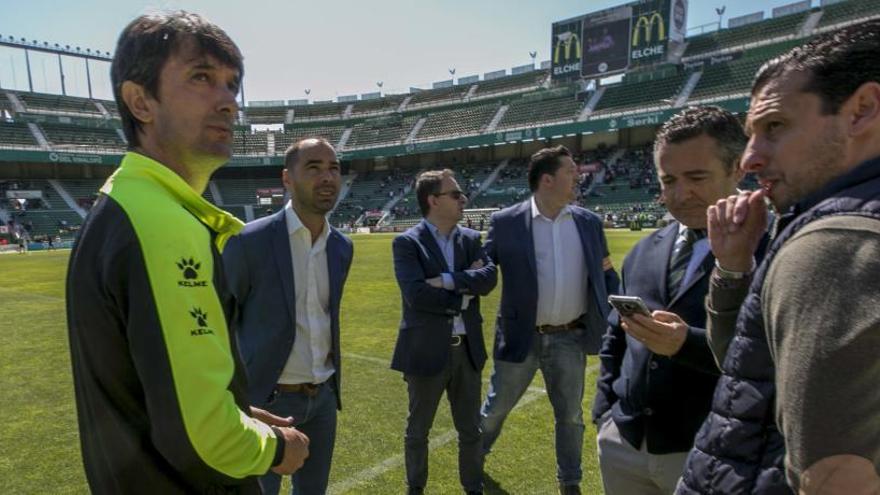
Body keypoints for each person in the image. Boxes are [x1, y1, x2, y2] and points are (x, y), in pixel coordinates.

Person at [65, 11, 308, 493]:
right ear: (140, 102)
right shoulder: (161, 223)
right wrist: (279, 448)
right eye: (201, 77)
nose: (227, 101)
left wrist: (234, 408)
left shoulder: (127, 203)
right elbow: (202, 439)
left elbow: (159, 394)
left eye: (231, 84)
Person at [678, 20, 880, 494]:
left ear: (863, 110)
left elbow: (836, 477)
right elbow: (754, 376)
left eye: (775, 127)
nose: (750, 158)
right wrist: (733, 270)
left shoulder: (835, 244)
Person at [592, 106, 764, 494]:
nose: (680, 193)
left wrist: (688, 345)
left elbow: (774, 359)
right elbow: (614, 340)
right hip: (626, 442)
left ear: (738, 169)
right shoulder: (642, 250)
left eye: (696, 177)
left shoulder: (772, 246)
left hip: (714, 451)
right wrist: (605, 414)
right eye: (668, 179)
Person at [480, 145, 619, 495]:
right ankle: (474, 459)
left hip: (570, 338)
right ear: (547, 179)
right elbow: (481, 269)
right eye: (571, 171)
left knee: (570, 417)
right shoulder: (507, 222)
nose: (579, 176)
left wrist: (623, 308)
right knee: (495, 409)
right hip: (520, 337)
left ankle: (570, 482)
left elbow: (607, 275)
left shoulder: (588, 223)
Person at [223, 138, 353, 495]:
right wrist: (238, 400)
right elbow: (220, 325)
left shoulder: (342, 247)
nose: (327, 177)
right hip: (267, 401)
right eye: (313, 168)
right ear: (287, 179)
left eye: (334, 169)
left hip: (322, 398)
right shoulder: (249, 242)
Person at [391, 169, 497, 495]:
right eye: (455, 194)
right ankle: (416, 487)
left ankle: (473, 487)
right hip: (425, 349)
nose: (463, 198)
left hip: (466, 349)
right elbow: (417, 295)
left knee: (470, 430)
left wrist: (447, 280)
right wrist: (465, 288)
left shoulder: (469, 239)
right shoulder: (408, 243)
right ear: (433, 200)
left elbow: (490, 279)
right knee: (417, 430)